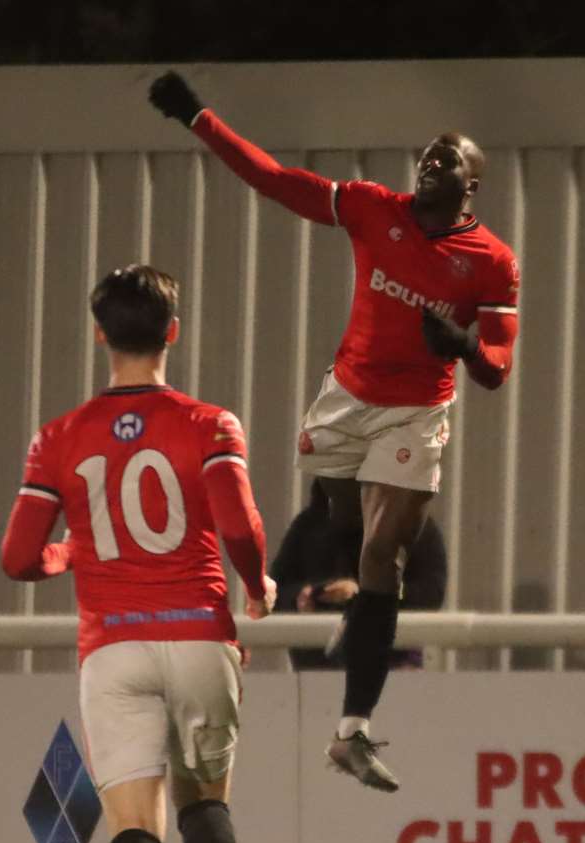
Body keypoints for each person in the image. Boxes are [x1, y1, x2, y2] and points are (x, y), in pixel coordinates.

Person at [148, 71, 519, 793]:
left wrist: (468, 348)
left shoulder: (493, 263)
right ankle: (364, 626)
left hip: (417, 412)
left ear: (470, 185)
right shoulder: (374, 209)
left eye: (446, 160)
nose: (429, 163)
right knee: (341, 527)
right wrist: (198, 117)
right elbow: (275, 179)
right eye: (427, 154)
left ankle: (352, 730)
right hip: (345, 401)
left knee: (386, 554)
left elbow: (499, 367)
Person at [0, 264, 276, 843]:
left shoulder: (59, 437)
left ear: (100, 335)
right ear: (173, 332)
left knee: (130, 824)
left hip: (112, 645)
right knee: (205, 800)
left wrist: (68, 554)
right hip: (196, 632)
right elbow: (240, 525)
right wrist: (255, 584)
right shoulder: (209, 423)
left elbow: (18, 556)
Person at [271, 480, 448, 671]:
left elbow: (430, 592)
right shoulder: (308, 526)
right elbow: (276, 593)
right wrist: (302, 598)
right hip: (317, 675)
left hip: (392, 672)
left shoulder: (410, 523)